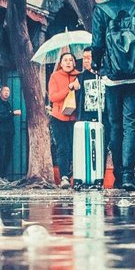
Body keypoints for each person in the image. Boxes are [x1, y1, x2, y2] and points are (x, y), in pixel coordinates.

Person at [91, 0, 135, 191]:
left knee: (115, 125)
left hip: (112, 77)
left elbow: (97, 43)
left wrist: (97, 65)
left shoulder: (101, 10)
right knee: (131, 124)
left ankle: (118, 173)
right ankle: (128, 176)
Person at [47, 53, 80, 185]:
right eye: (65, 60)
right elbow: (53, 97)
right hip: (58, 117)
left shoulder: (79, 76)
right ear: (60, 63)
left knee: (75, 147)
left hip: (75, 118)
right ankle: (64, 177)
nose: (68, 62)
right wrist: (69, 87)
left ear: (74, 63)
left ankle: (76, 174)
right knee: (62, 147)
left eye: (71, 60)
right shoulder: (55, 76)